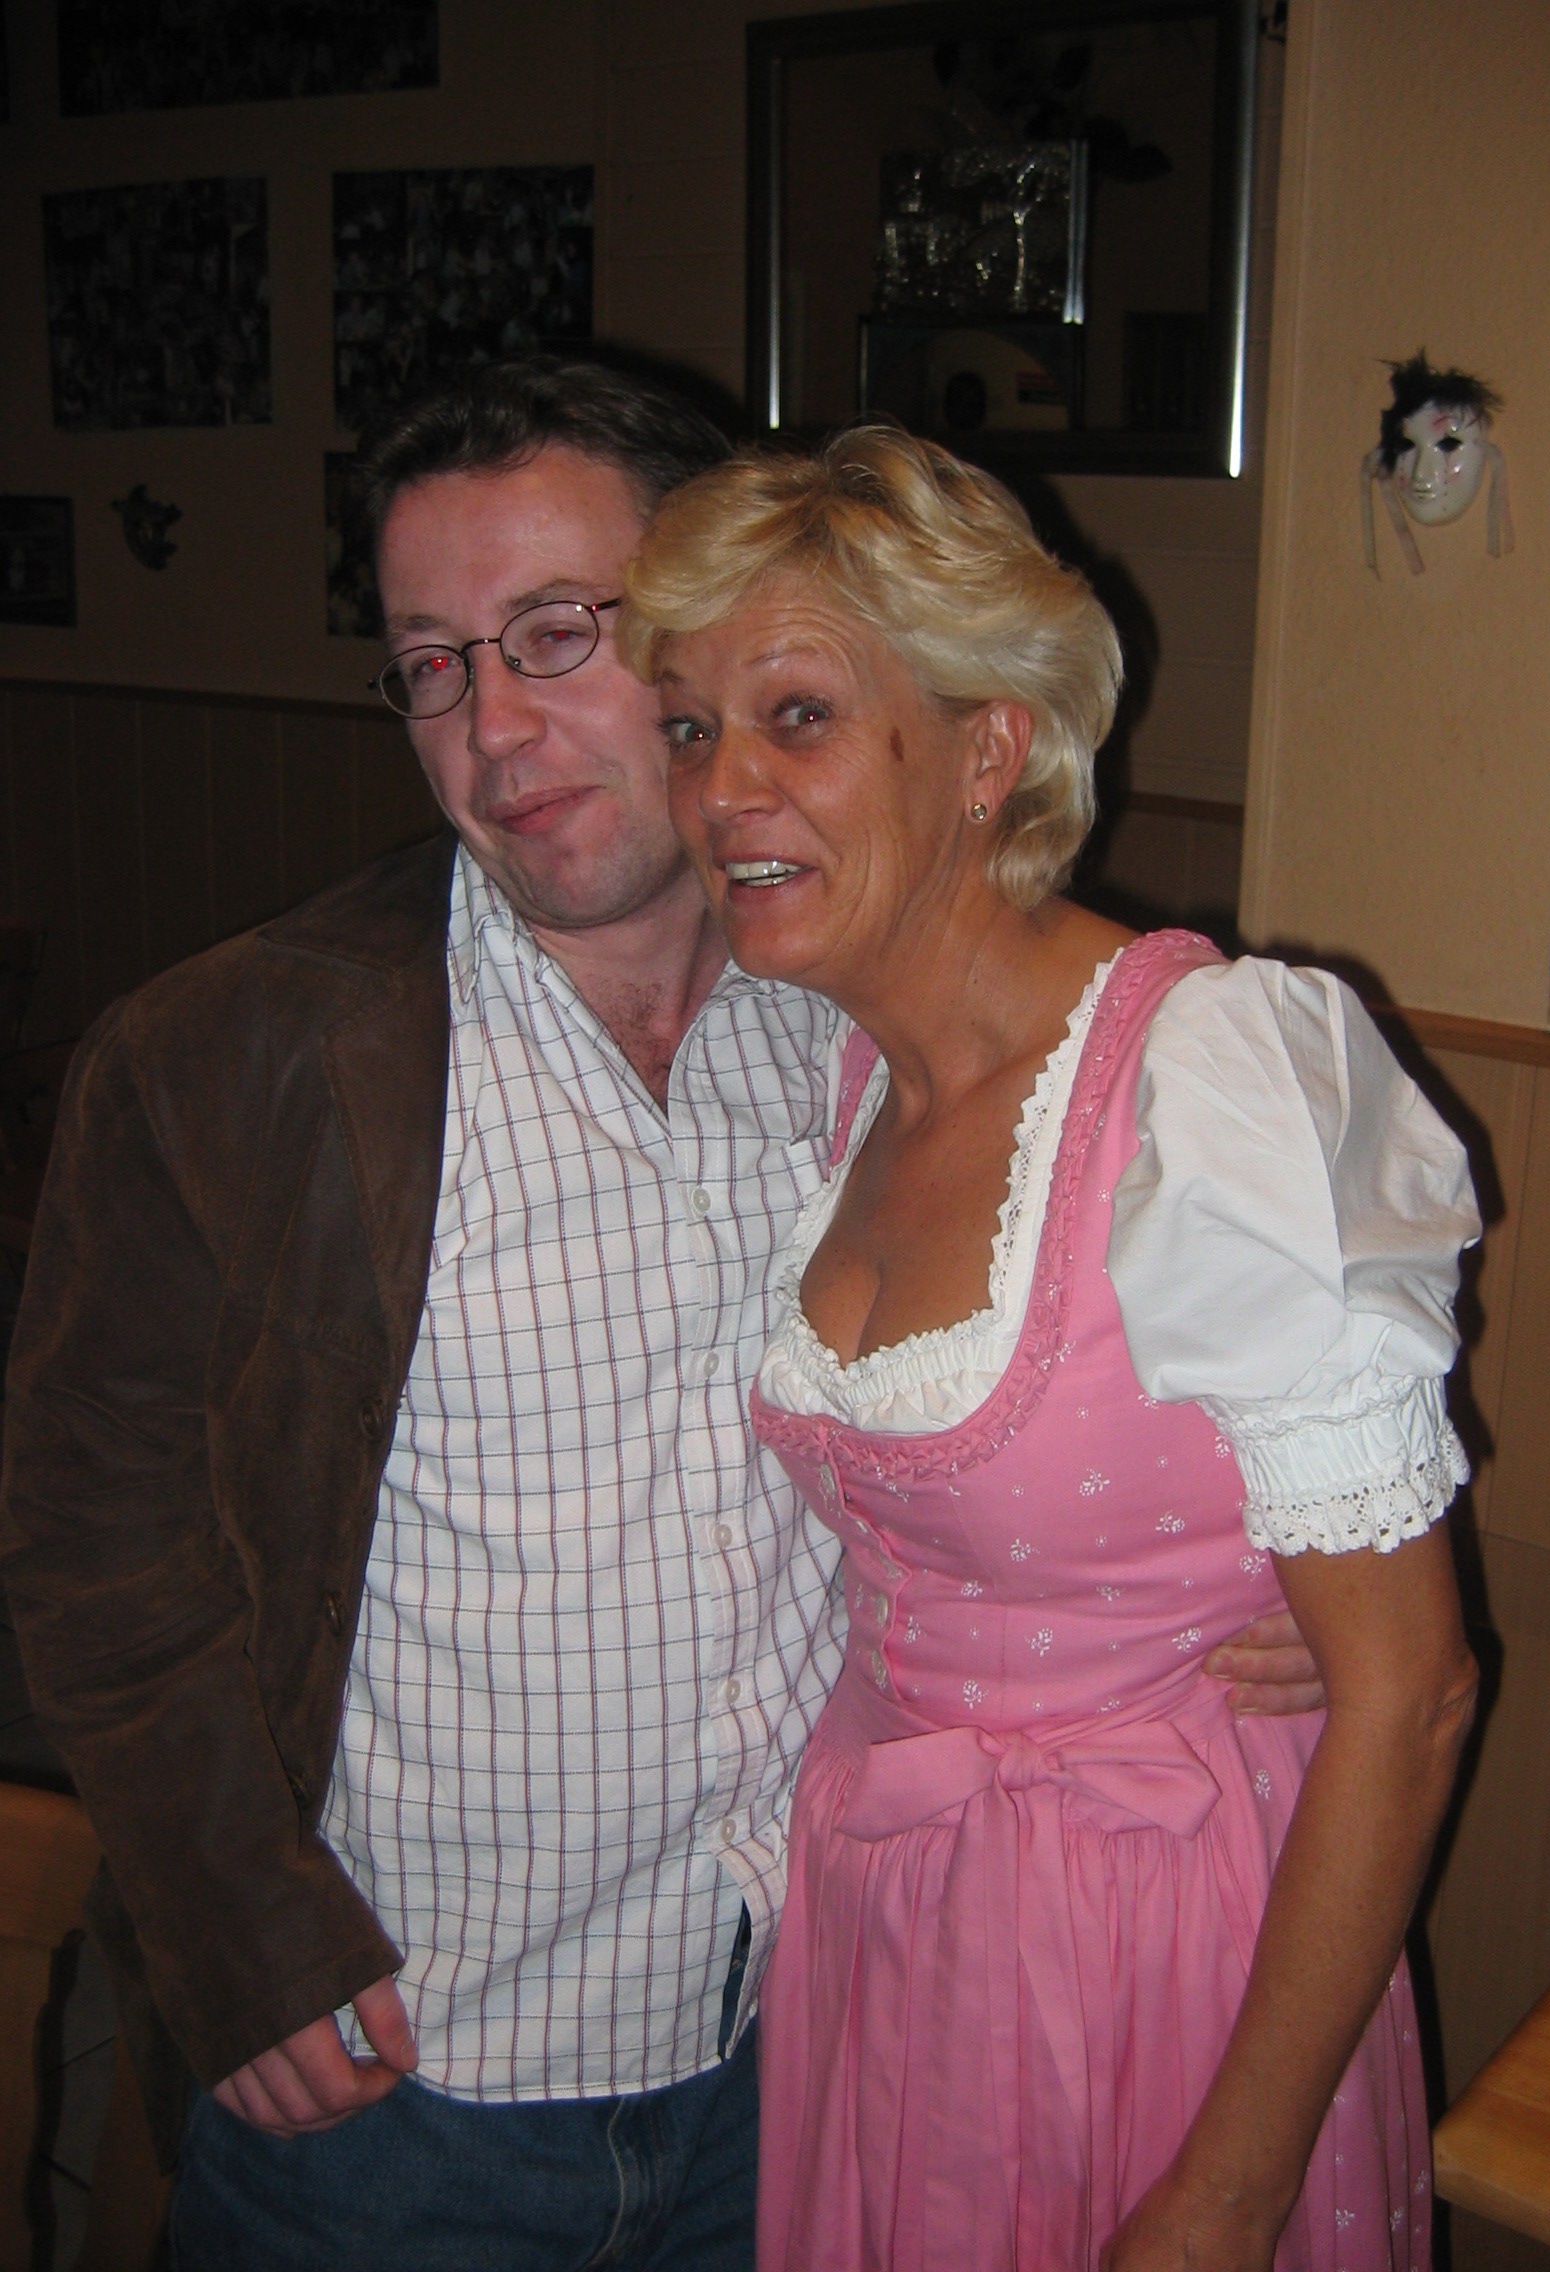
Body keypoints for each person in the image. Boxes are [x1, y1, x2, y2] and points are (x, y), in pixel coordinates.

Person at [0, 361, 1320, 2272]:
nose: (495, 725)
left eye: (561, 632)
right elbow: (91, 1533)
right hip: (409, 2093)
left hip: (814, 2040)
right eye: (434, 663)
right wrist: (234, 1928)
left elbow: (1061, 1384)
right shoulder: (233, 1057)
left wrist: (1253, 1578)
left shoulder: (859, 1013)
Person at [620, 423, 1484, 2272]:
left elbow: (1409, 1695)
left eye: (796, 717)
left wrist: (1228, 2196)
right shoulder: (845, 1069)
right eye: (691, 728)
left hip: (1159, 1945)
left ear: (986, 750)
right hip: (891, 1920)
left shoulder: (1213, 1081)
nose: (720, 790)